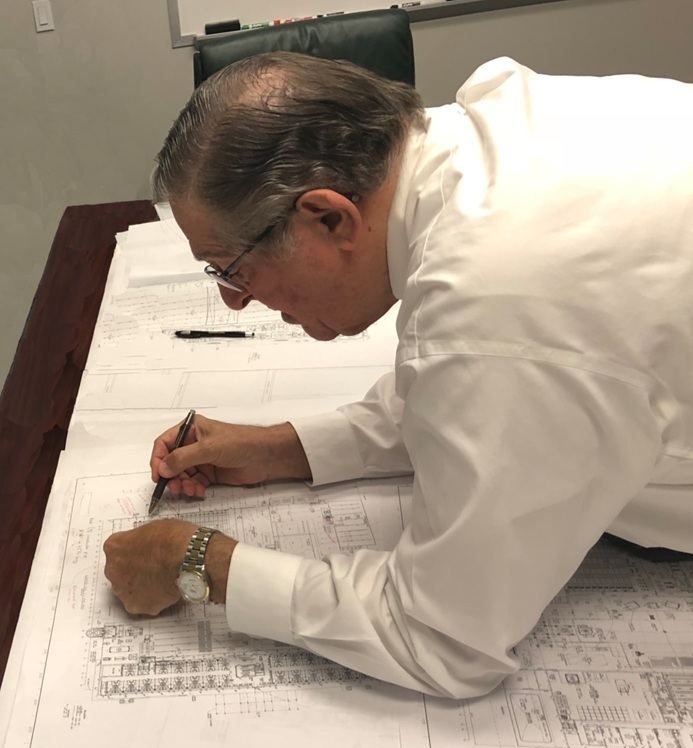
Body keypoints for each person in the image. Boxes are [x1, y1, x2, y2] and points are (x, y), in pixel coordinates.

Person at [103, 52, 693, 698]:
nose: (233, 301)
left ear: (329, 217)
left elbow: (442, 639)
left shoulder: (494, 298)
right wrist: (281, 448)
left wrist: (200, 563)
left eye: (231, 268)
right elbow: (465, 394)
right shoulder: (476, 133)